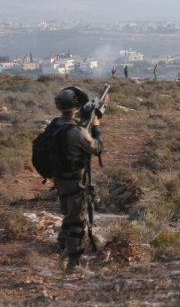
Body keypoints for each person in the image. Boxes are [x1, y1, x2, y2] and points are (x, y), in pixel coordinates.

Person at [52, 87, 107, 273]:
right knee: (77, 222)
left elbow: (74, 121)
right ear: (76, 106)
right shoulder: (78, 132)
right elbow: (97, 148)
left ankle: (61, 254)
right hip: (76, 182)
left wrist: (92, 111)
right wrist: (96, 125)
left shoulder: (55, 125)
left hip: (60, 181)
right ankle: (72, 265)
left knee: (68, 218)